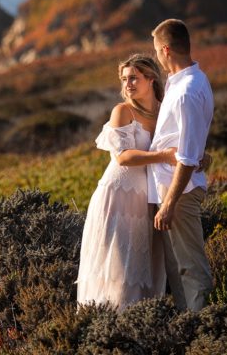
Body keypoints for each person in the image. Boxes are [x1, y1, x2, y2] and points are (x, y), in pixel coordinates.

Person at [77, 54, 174, 309]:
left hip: (147, 199)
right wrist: (164, 156)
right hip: (118, 196)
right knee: (118, 266)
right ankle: (106, 323)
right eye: (124, 79)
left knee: (143, 267)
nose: (128, 84)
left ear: (151, 78)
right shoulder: (123, 111)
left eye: (133, 78)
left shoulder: (165, 110)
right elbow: (123, 157)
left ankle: (140, 326)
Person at [149, 18, 214, 312]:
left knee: (191, 265)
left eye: (156, 51)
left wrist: (169, 204)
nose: (156, 57)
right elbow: (192, 141)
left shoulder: (186, 91)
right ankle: (186, 323)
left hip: (181, 192)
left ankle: (202, 327)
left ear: (165, 50)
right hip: (173, 187)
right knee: (176, 267)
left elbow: (187, 158)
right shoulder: (189, 81)